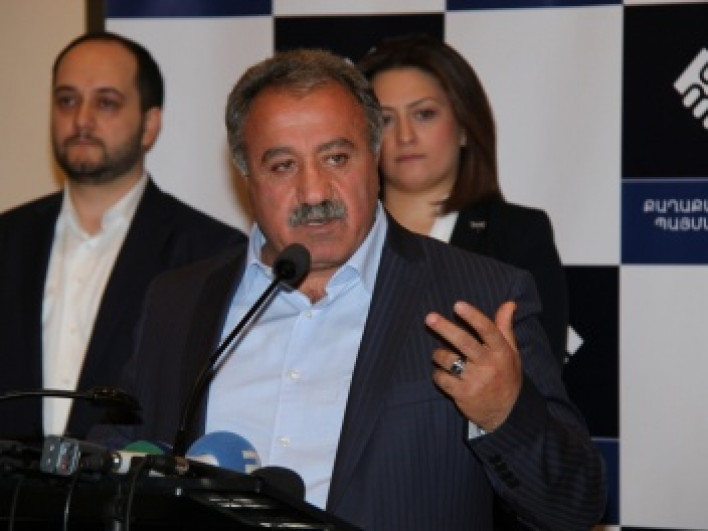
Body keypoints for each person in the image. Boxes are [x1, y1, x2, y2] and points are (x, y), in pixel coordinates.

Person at [109, 48, 606, 530]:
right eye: (283, 165)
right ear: (246, 176)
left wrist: (503, 415)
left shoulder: (481, 298)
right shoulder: (177, 301)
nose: (314, 192)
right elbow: (119, 461)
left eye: (336, 158)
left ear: (374, 156)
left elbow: (574, 506)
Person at [0, 32, 246, 443]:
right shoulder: (8, 240)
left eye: (106, 103)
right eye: (67, 100)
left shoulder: (211, 253)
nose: (81, 120)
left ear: (150, 125)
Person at [357, 34, 569, 365]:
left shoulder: (517, 235)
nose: (405, 136)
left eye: (424, 114)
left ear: (464, 126)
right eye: (385, 120)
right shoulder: (338, 236)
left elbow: (539, 377)